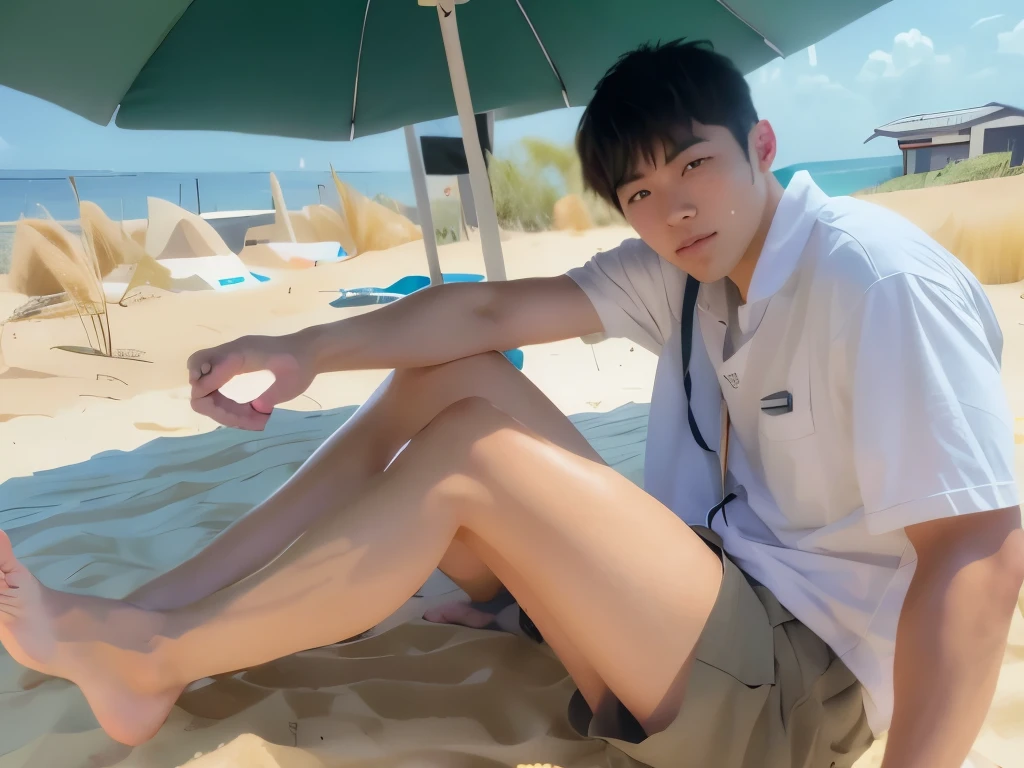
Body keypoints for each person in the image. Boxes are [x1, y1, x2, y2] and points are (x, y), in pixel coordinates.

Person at [1, 39, 1022, 768]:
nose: (668, 209)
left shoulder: (872, 280)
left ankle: (153, 658)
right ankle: (159, 606)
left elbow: (978, 552)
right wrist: (304, 348)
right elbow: (483, 309)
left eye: (694, 166)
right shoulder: (691, 270)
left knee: (473, 457)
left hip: (797, 696)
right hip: (708, 619)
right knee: (452, 378)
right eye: (636, 193)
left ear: (760, 147)